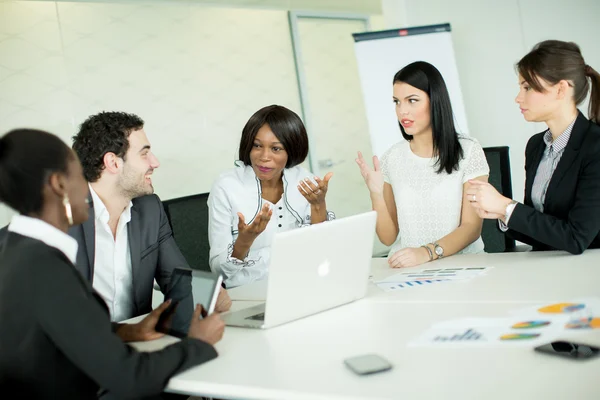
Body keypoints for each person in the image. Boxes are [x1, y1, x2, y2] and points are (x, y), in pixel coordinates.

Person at [0, 128, 225, 399]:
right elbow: (130, 377)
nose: (87, 187)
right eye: (80, 175)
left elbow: (58, 328)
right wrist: (199, 344)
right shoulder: (46, 269)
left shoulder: (13, 250)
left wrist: (127, 330)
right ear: (60, 184)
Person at [70, 111, 231, 330]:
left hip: (138, 346)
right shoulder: (61, 218)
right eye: (145, 154)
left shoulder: (150, 209)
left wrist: (211, 294)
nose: (155, 163)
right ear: (113, 162)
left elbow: (178, 280)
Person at [467, 40, 600, 254]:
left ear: (561, 89)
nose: (518, 98)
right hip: (544, 268)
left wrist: (506, 207)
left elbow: (576, 238)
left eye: (527, 87)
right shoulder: (537, 145)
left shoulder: (595, 146)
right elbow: (540, 228)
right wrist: (502, 213)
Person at [356, 61, 489, 268]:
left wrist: (427, 252)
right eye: (397, 102)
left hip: (463, 265)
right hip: (411, 270)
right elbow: (388, 238)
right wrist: (375, 193)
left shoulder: (469, 150)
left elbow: (471, 228)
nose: (402, 111)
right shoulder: (392, 158)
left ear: (435, 101)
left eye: (412, 100)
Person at [208, 105, 335, 288]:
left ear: (291, 150)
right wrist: (245, 241)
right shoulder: (226, 186)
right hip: (246, 291)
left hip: (302, 282)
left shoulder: (304, 180)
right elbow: (219, 271)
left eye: (276, 149)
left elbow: (321, 251)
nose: (264, 157)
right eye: (257, 146)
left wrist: (318, 206)